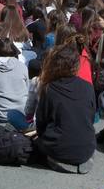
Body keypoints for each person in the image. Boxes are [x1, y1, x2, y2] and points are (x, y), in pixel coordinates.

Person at [31, 44, 97, 174]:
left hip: (58, 145)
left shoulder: (49, 88)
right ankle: (81, 157)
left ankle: (57, 159)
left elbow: (41, 123)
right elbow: (91, 116)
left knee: (36, 144)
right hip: (87, 145)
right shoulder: (88, 86)